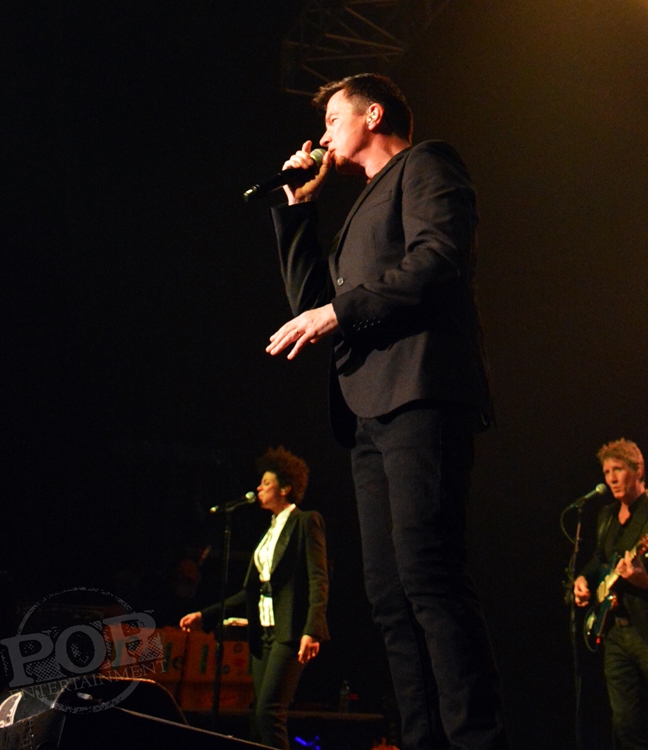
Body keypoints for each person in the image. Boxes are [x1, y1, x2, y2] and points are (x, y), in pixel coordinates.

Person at [265, 74, 508, 750]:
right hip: (368, 410)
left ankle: (477, 740)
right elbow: (310, 301)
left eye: (332, 120)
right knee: (389, 596)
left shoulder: (427, 164)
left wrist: (336, 313)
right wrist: (298, 208)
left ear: (372, 115)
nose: (321, 137)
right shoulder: (356, 212)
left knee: (430, 576)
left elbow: (439, 260)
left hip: (422, 392)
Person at [180, 446, 329, 750]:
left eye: (266, 483)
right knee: (257, 716)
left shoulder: (306, 521)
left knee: (269, 713)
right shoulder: (269, 532)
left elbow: (318, 579)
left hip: (290, 631)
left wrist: (312, 629)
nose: (259, 488)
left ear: (285, 489)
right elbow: (249, 592)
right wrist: (206, 615)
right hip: (264, 634)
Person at [574, 438, 648, 749]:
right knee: (624, 725)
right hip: (615, 631)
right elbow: (599, 559)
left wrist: (646, 580)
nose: (611, 478)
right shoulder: (606, 516)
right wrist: (583, 579)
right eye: (606, 472)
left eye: (618, 469)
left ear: (638, 469)